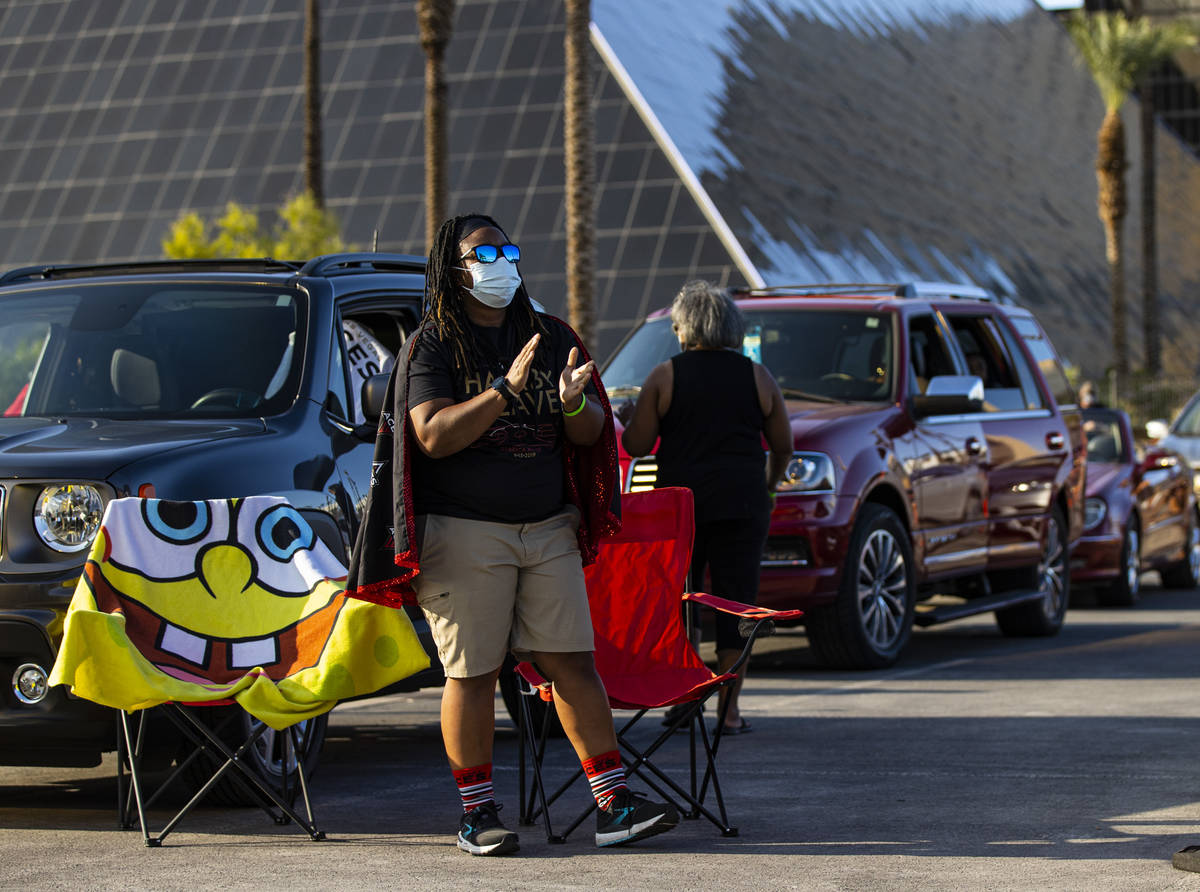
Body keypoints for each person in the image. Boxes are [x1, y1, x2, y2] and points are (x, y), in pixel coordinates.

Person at [346, 213, 679, 856]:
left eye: (507, 249)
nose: (499, 262)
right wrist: (504, 390)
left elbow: (586, 437)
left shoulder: (551, 335)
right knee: (472, 673)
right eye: (483, 253)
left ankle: (613, 804)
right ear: (455, 267)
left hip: (547, 527)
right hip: (464, 534)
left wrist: (575, 404)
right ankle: (478, 815)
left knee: (571, 663)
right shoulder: (434, 344)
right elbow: (433, 436)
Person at [619, 281, 791, 735]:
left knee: (683, 605)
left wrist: (628, 417)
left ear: (684, 328)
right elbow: (783, 445)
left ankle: (686, 700)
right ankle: (729, 713)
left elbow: (636, 446)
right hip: (743, 504)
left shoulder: (665, 375)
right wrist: (769, 488)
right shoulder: (758, 377)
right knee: (736, 607)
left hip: (683, 512)